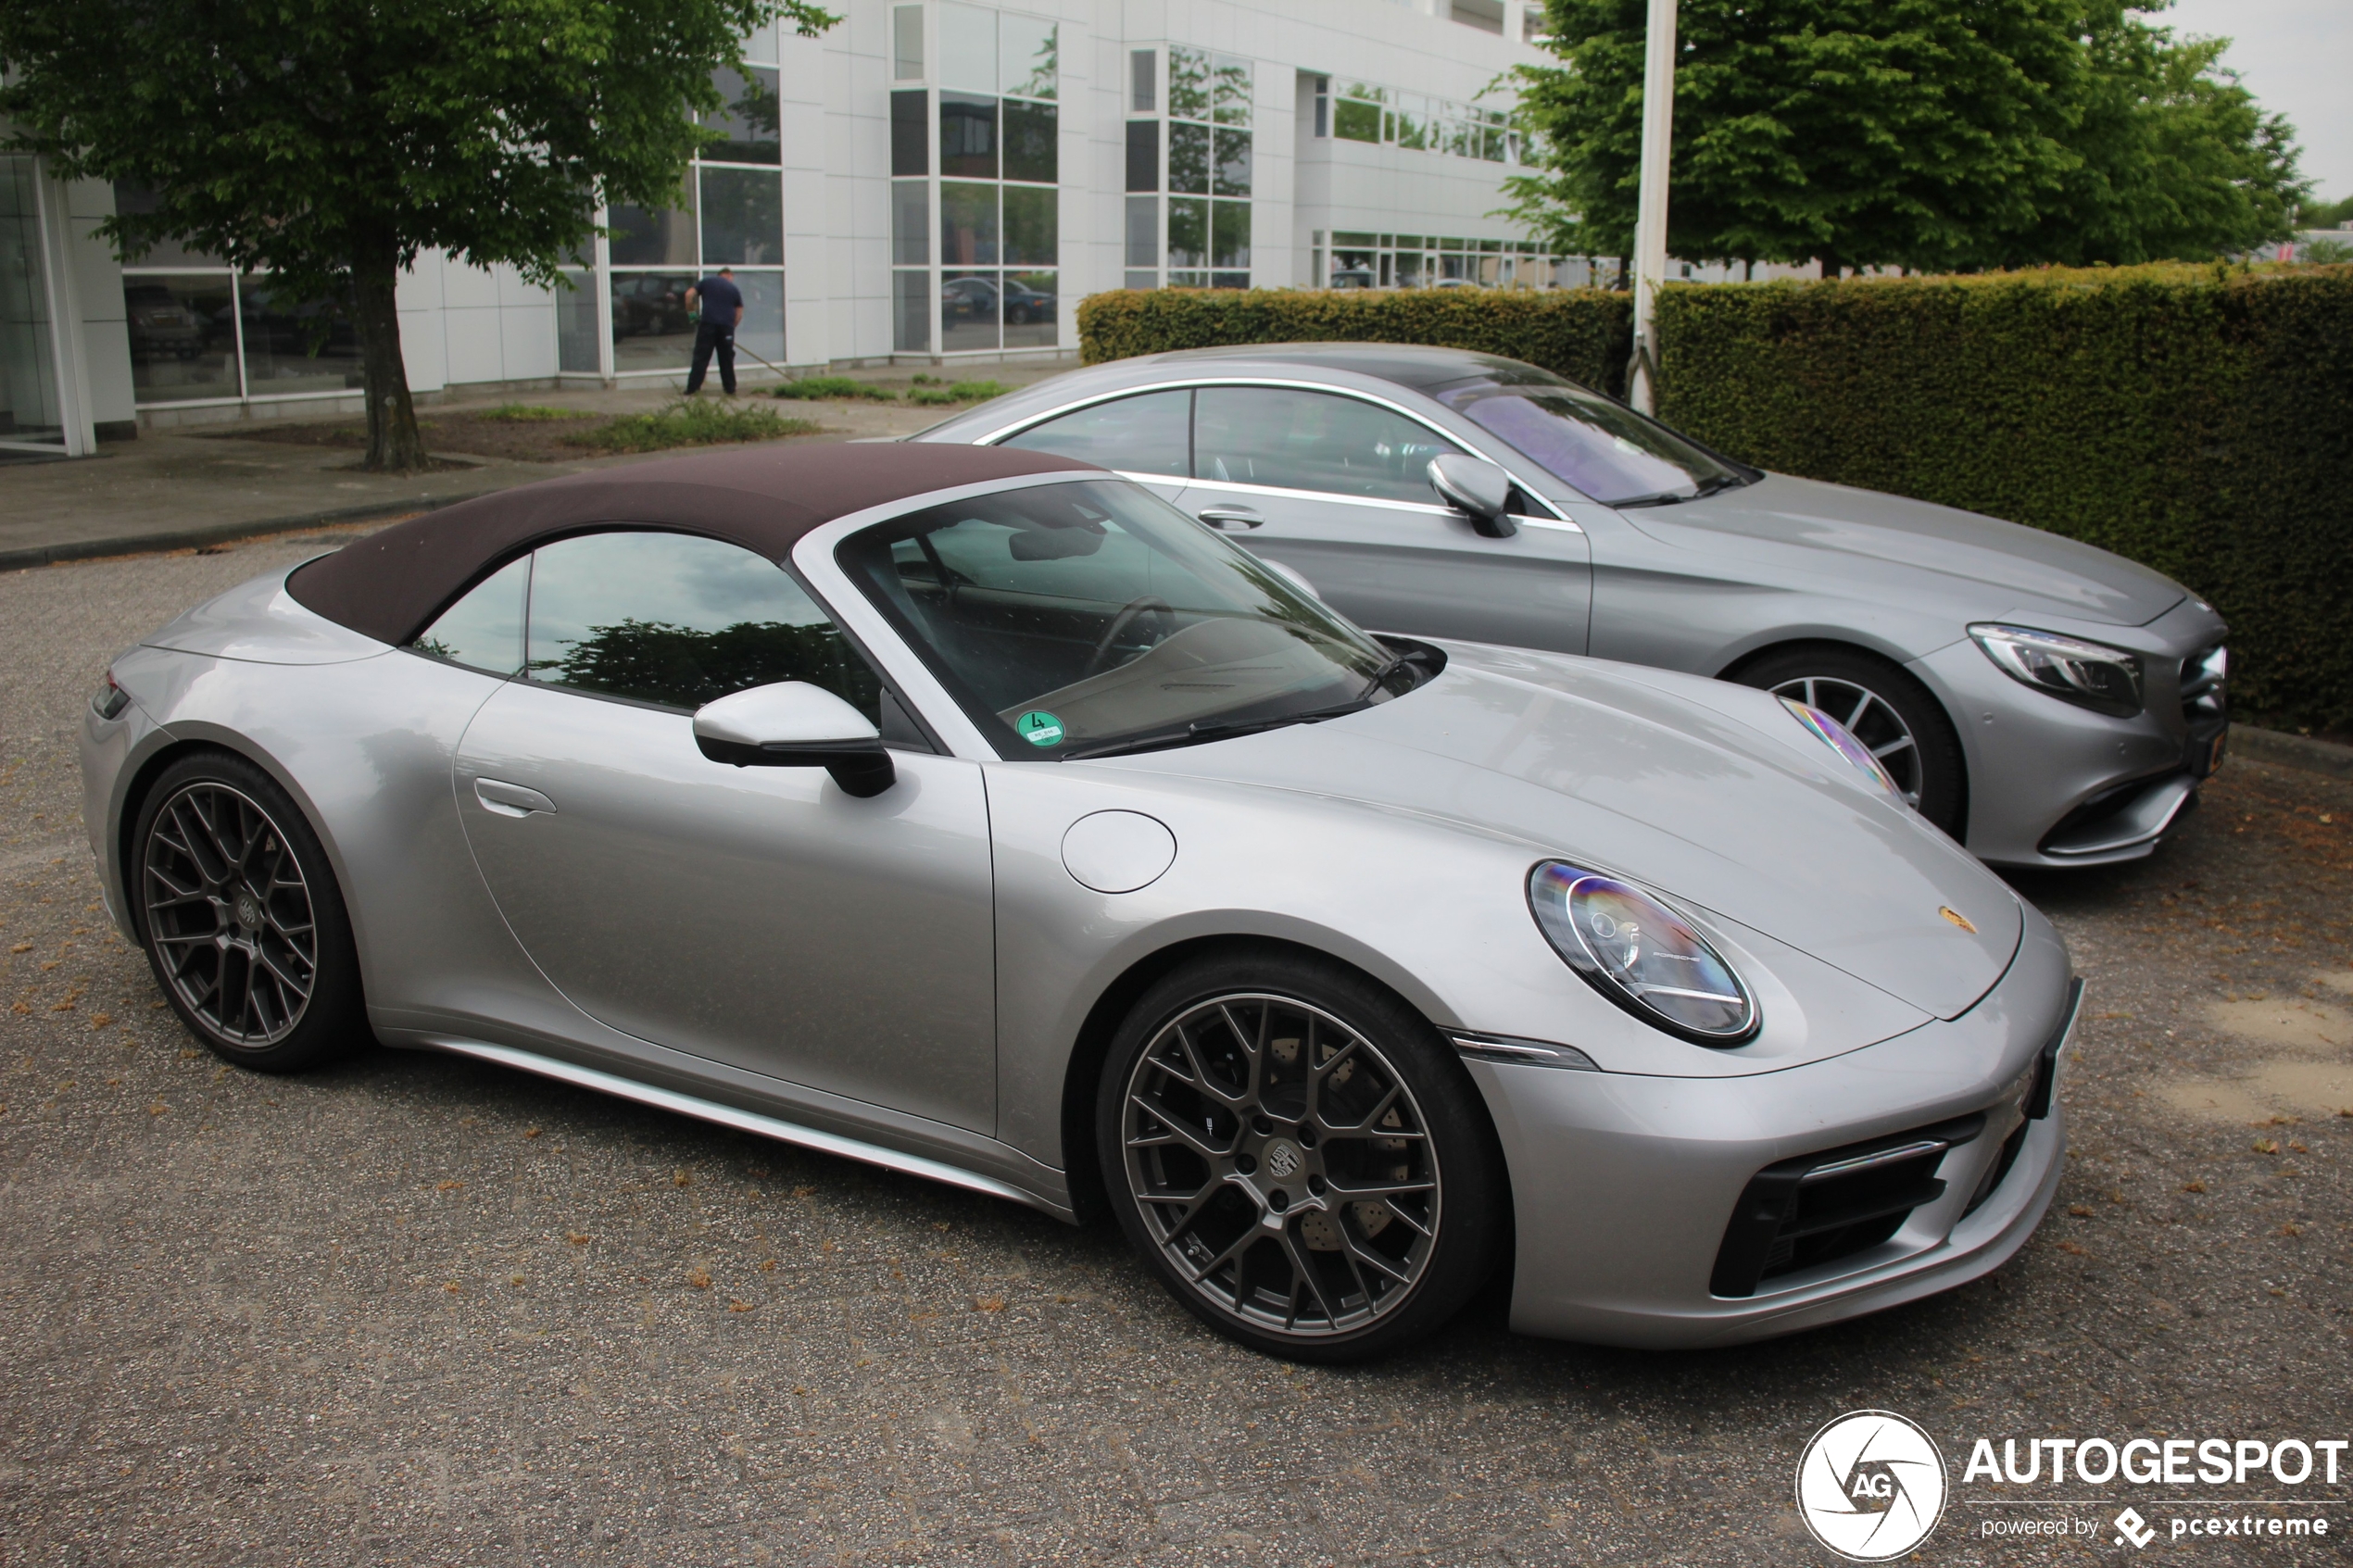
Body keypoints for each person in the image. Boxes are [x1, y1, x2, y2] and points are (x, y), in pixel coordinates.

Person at [683, 267, 744, 395]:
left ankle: (692, 389)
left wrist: (692, 315)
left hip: (708, 325)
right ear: (728, 275)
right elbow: (739, 312)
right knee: (726, 359)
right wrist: (731, 327)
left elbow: (689, 295)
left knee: (701, 357)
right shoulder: (734, 289)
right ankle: (730, 389)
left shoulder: (706, 282)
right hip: (726, 327)